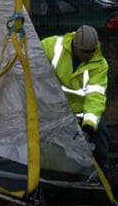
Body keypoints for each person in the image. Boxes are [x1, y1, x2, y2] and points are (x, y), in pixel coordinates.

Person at [41, 24, 110, 171]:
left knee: (100, 143)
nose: (88, 55)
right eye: (84, 52)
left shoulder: (99, 64)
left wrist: (88, 128)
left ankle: (102, 174)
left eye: (92, 52)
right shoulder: (51, 46)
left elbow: (95, 97)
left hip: (83, 114)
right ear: (74, 45)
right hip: (55, 112)